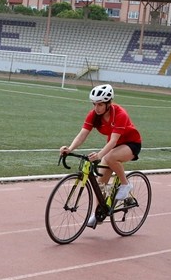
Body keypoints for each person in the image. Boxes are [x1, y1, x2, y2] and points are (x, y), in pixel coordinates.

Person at [59, 83, 142, 227]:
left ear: (109, 103)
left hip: (131, 144)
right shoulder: (94, 115)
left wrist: (99, 155)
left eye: (100, 105)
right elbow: (82, 135)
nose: (96, 108)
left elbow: (114, 140)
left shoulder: (120, 114)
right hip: (114, 146)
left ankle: (125, 185)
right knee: (100, 184)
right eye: (94, 104)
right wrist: (70, 148)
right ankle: (98, 213)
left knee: (109, 157)